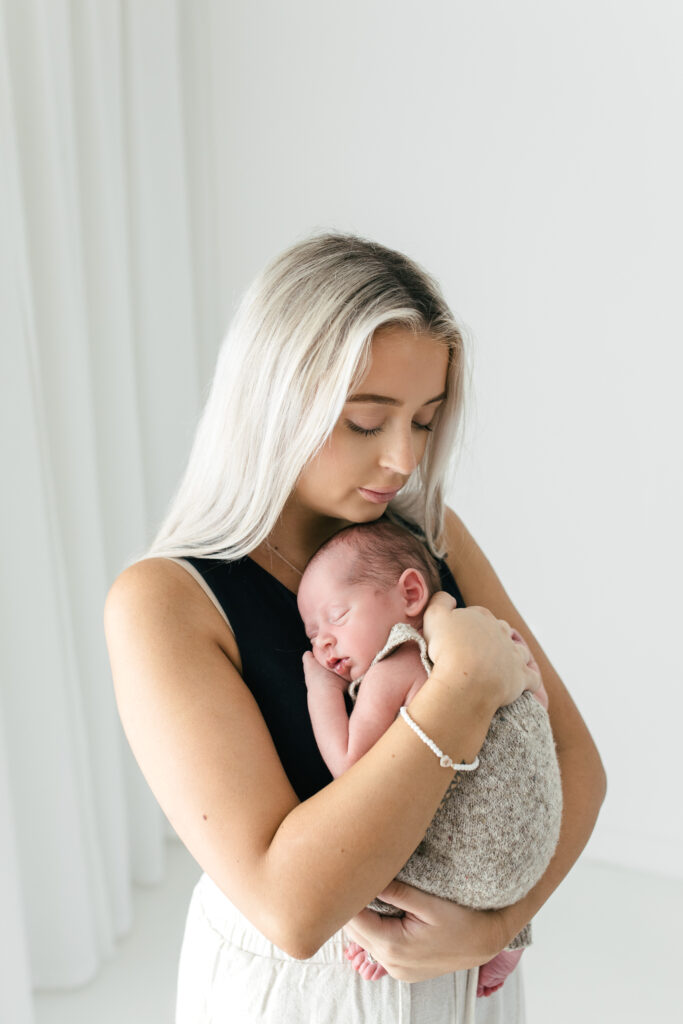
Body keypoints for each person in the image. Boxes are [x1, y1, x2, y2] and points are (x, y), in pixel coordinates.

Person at [104, 232, 606, 1024]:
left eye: (425, 420)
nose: (403, 460)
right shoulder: (164, 602)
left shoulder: (423, 536)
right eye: (367, 423)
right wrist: (463, 688)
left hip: (462, 979)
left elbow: (578, 761)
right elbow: (293, 911)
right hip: (302, 995)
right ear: (272, 401)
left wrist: (492, 929)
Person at [297, 518, 563, 997]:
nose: (321, 644)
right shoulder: (476, 640)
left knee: (351, 859)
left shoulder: (398, 661)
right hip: (535, 853)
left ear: (411, 593)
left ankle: (382, 932)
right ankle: (513, 935)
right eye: (312, 634)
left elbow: (352, 772)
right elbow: (534, 709)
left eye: (336, 616)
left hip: (468, 867)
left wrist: (321, 689)